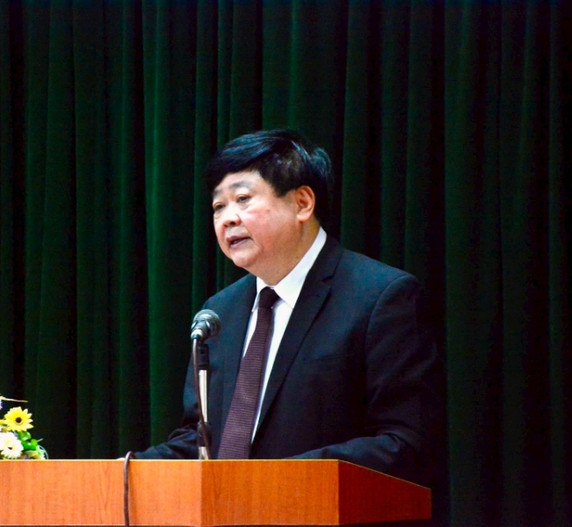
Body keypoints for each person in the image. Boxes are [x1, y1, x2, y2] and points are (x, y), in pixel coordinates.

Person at [134, 129, 441, 487]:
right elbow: (199, 442)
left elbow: (404, 443)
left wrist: (276, 481)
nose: (228, 218)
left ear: (302, 203)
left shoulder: (380, 297)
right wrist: (121, 471)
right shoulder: (219, 313)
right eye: (218, 206)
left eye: (243, 199)